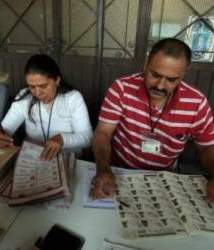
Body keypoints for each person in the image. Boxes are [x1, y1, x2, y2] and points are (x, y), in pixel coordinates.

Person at [91, 38, 214, 201]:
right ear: (146, 63)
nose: (160, 86)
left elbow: (207, 148)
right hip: (119, 173)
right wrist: (103, 169)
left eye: (172, 79)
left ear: (184, 73)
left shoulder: (197, 103)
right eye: (155, 75)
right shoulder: (121, 89)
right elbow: (103, 133)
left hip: (164, 180)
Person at [0, 54, 92, 160]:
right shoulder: (24, 97)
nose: (37, 93)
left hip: (66, 158)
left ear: (57, 80)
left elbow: (88, 137)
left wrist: (62, 139)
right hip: (33, 158)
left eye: (43, 86)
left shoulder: (72, 98)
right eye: (32, 87)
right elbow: (5, 127)